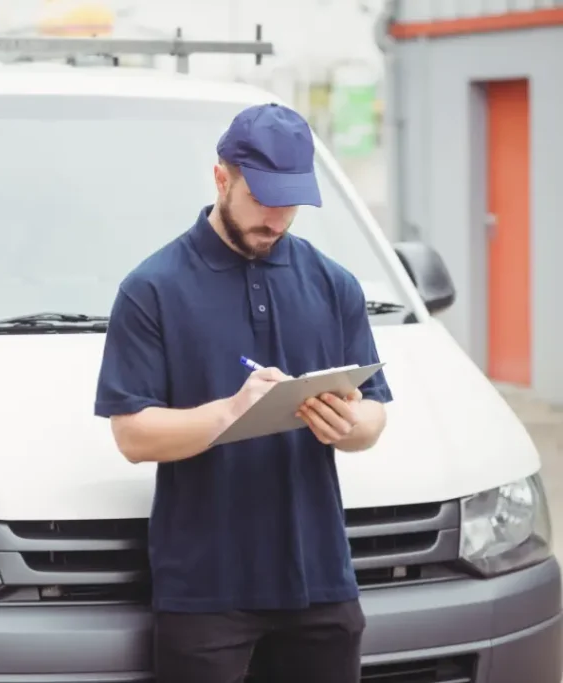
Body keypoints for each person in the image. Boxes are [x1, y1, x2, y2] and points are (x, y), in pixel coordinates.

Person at [93, 102, 393, 683]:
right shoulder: (151, 289)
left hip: (323, 582)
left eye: (291, 202)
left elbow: (374, 412)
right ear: (221, 178)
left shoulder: (335, 285)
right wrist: (231, 412)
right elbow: (132, 436)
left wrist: (352, 428)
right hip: (206, 594)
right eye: (263, 198)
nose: (277, 218)